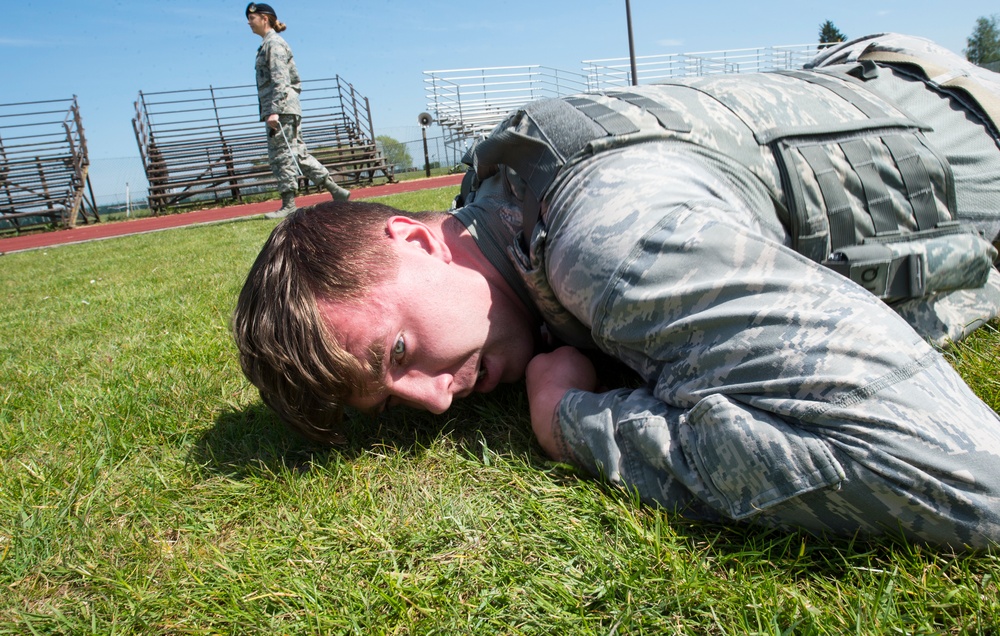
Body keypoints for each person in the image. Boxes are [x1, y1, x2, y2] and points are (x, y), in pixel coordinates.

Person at [233, 34, 1000, 549]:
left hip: (970, 118)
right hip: (876, 76)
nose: (434, 401)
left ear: (413, 236)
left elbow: (958, 472)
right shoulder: (501, 198)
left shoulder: (606, 246)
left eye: (398, 352)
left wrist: (573, 424)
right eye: (396, 398)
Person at [246, 2, 350, 219]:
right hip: (286, 107)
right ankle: (335, 189)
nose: (249, 22)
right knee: (296, 153)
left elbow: (280, 79)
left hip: (281, 108)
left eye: (252, 17)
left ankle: (289, 203)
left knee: (281, 156)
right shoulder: (269, 44)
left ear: (264, 18)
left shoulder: (273, 44)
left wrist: (274, 110)